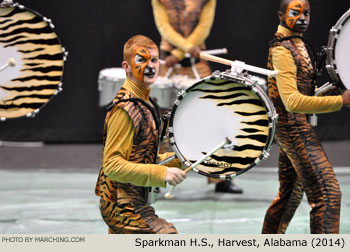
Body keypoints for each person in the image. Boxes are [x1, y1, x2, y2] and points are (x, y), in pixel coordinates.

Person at [262, 0, 350, 234]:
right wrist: (340, 101)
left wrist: (334, 91)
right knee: (327, 194)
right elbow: (292, 102)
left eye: (307, 13)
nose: (303, 18)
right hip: (294, 128)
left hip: (293, 127)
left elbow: (301, 95)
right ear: (281, 14)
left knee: (289, 194)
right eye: (295, 13)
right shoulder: (282, 49)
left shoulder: (296, 43)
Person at [95, 35, 187, 234]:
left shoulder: (144, 102)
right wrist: (162, 173)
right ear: (126, 66)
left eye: (154, 60)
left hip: (131, 197)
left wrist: (180, 160)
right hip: (122, 204)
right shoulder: (125, 108)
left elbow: (142, 158)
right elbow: (112, 165)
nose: (150, 66)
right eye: (141, 60)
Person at [152, 0, 243, 194]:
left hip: (195, 59)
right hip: (169, 62)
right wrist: (179, 52)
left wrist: (179, 52)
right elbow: (163, 27)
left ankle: (219, 178)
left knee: (212, 116)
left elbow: (204, 27)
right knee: (163, 122)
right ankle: (158, 176)